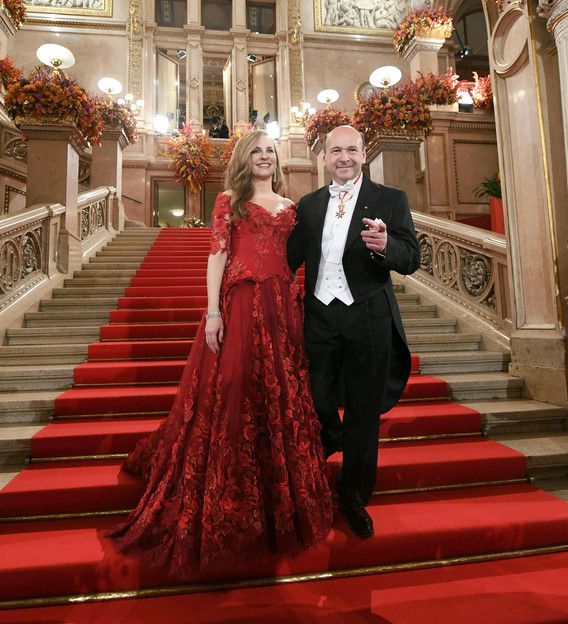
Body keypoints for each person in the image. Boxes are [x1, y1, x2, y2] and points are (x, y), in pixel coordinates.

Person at [111, 130, 332, 575]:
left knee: (278, 395)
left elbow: (303, 259)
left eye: (270, 151)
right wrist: (213, 310)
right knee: (233, 390)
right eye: (257, 151)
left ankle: (276, 497)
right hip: (241, 301)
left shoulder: (292, 207)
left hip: (282, 307)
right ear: (244, 159)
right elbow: (217, 255)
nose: (265, 157)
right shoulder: (231, 200)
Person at [287, 125, 419, 539]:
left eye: (351, 150)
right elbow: (288, 256)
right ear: (325, 157)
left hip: (368, 314)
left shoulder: (391, 199)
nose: (344, 157)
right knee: (316, 395)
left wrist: (386, 247)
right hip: (319, 315)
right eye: (336, 150)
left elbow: (411, 258)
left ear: (363, 154)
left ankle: (354, 495)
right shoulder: (308, 205)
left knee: (364, 410)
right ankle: (332, 433)